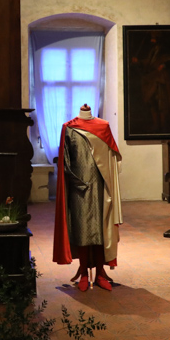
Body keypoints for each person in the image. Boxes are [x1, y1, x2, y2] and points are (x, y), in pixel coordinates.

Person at [52, 105, 123, 291]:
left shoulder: (104, 127)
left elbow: (111, 158)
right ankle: (84, 272)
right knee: (82, 230)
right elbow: (65, 161)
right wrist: (79, 184)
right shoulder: (69, 128)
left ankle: (100, 273)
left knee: (101, 230)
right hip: (79, 190)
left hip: (101, 188)